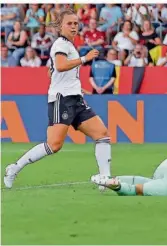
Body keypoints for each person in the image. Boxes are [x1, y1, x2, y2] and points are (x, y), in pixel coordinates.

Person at [4, 9, 112, 189]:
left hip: (75, 99)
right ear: (60, 26)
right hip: (62, 100)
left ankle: (105, 178)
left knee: (102, 134)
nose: (74, 27)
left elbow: (54, 69)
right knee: (54, 145)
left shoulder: (68, 46)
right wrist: (84, 58)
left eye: (76, 23)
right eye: (69, 23)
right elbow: (61, 66)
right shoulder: (61, 44)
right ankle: (14, 168)